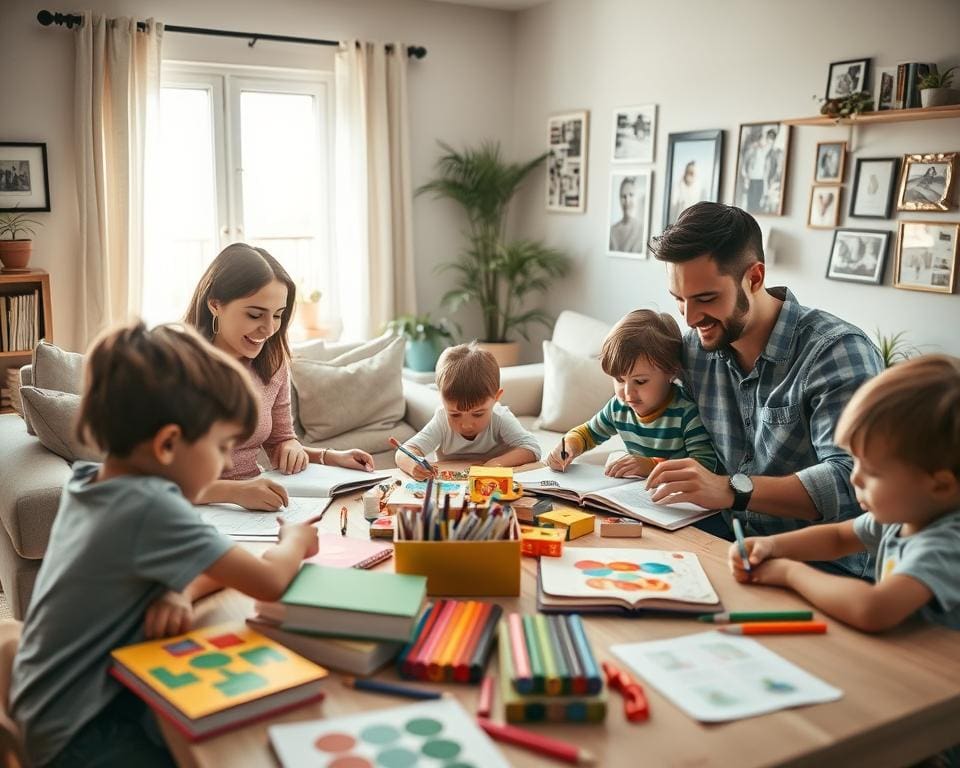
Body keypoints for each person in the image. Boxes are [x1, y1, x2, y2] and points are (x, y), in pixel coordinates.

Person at [10, 322, 322, 768]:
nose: (226, 463)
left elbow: (181, 570)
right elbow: (270, 581)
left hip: (44, 711)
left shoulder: (90, 482)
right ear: (169, 443)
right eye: (221, 447)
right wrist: (294, 540)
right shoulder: (152, 508)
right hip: (83, 737)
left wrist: (179, 588)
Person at [648, 202, 883, 577]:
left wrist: (732, 489)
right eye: (679, 299)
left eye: (706, 299)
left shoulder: (836, 352)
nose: (690, 319)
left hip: (825, 567)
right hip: (728, 543)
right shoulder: (696, 349)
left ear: (754, 278)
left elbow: (852, 484)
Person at [729, 355, 960, 633]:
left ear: (941, 486)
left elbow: (872, 609)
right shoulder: (906, 515)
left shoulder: (946, 544)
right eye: (856, 461)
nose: (855, 477)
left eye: (873, 472)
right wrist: (772, 546)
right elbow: (838, 538)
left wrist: (790, 572)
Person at [185, 243, 374, 511]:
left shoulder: (271, 363)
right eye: (254, 314)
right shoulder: (173, 367)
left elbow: (280, 441)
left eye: (278, 315)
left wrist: (327, 457)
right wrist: (234, 492)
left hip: (253, 504)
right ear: (215, 304)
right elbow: (150, 482)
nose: (269, 329)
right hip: (191, 511)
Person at [547, 309, 718, 477]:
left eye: (640, 381)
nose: (628, 393)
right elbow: (588, 433)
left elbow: (706, 464)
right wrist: (568, 446)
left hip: (679, 498)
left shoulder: (685, 413)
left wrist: (652, 466)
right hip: (636, 496)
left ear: (671, 371)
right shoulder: (618, 407)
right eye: (619, 380)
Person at [396, 342, 541, 479]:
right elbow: (403, 453)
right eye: (455, 414)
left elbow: (532, 449)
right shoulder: (442, 420)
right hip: (452, 491)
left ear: (496, 397)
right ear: (441, 399)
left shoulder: (499, 417)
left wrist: (495, 464)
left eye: (478, 414)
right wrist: (414, 465)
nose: (466, 425)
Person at [609, 176, 646, 254]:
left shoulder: (643, 229)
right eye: (623, 196)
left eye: (631, 195)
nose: (627, 201)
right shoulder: (612, 230)